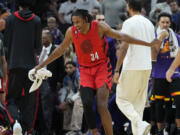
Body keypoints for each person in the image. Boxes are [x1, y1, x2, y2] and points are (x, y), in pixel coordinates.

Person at [34, 9, 162, 135]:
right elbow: (60, 50)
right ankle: (94, 132)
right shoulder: (71, 32)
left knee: (101, 105)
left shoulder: (99, 27)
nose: (76, 25)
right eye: (73, 22)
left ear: (86, 20)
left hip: (101, 68)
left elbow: (121, 36)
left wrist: (147, 43)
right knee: (87, 103)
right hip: (85, 70)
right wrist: (40, 66)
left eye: (78, 22)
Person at [113, 0, 168, 135]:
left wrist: (116, 70)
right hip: (146, 66)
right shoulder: (149, 23)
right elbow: (154, 47)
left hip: (132, 65)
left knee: (121, 99)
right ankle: (143, 131)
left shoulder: (128, 23)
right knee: (138, 106)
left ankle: (140, 123)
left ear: (129, 7)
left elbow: (124, 47)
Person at [0, 0, 42, 134]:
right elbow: (38, 46)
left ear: (19, 4)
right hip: (31, 67)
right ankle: (28, 130)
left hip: (14, 64)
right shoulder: (37, 20)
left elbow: (6, 44)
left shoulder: (11, 19)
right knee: (30, 101)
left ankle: (16, 122)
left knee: (10, 99)